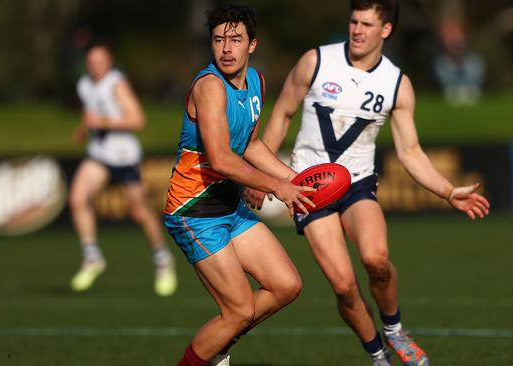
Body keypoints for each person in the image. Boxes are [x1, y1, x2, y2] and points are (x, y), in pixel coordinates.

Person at [253, 1, 491, 365]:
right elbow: (282, 115)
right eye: (353, 21)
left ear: (386, 30)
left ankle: (395, 329)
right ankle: (377, 354)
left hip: (358, 184)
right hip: (309, 188)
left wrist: (447, 190)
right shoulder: (315, 62)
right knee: (344, 286)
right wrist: (262, 176)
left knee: (376, 260)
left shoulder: (397, 84)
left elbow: (410, 152)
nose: (357, 30)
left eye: (366, 24)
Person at [162, 4, 315, 366]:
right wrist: (278, 188)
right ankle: (218, 340)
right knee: (239, 310)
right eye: (218, 40)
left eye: (235, 40)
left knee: (286, 285)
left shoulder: (256, 83)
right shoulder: (210, 87)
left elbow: (249, 145)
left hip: (229, 208)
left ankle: (221, 339)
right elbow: (222, 159)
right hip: (194, 211)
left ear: (252, 45)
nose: (226, 49)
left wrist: (294, 180)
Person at [69, 44, 177, 296]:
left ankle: (162, 259)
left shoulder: (116, 84)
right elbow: (91, 115)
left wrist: (103, 122)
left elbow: (138, 119)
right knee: (77, 199)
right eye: (91, 61)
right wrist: (85, 128)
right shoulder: (84, 85)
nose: (95, 66)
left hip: (124, 156)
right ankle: (92, 257)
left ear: (109, 63)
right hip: (99, 154)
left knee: (139, 211)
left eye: (100, 61)